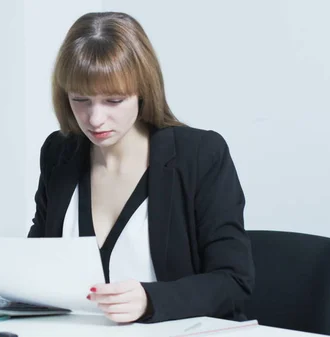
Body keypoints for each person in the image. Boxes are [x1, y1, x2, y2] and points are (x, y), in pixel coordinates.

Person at [27, 11, 255, 324]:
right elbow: (36, 260)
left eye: (113, 100)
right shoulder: (59, 153)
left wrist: (151, 299)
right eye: (80, 99)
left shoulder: (200, 155)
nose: (94, 119)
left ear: (143, 92)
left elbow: (234, 282)